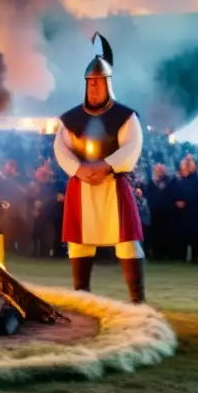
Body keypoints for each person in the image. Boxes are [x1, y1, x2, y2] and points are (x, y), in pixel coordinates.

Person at [53, 31, 145, 304]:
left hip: (113, 186)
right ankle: (82, 297)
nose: (94, 87)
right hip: (81, 185)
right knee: (79, 243)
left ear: (107, 84)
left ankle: (137, 301)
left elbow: (132, 146)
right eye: (90, 83)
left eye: (98, 82)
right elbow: (61, 148)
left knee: (127, 242)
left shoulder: (125, 116)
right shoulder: (71, 118)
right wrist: (79, 170)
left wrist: (107, 166)